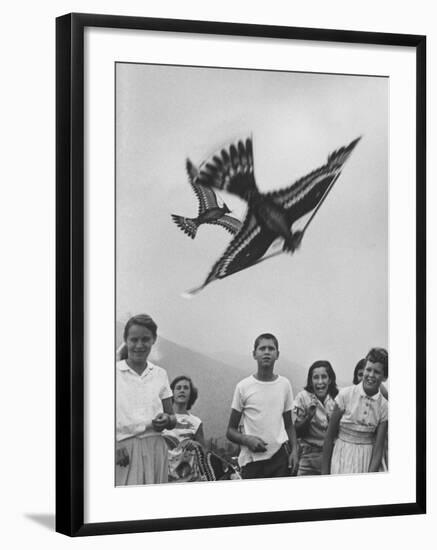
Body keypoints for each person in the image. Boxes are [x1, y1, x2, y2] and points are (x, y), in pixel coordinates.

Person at [226, 333, 298, 479]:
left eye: (271, 349)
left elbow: (289, 424)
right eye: (262, 348)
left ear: (277, 354)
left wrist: (295, 451)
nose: (266, 352)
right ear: (254, 354)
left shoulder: (284, 384)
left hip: (280, 459)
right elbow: (230, 430)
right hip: (252, 462)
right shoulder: (243, 387)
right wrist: (247, 440)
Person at [116, 314, 176, 485]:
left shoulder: (160, 374)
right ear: (125, 340)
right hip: (123, 450)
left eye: (145, 339)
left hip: (156, 448)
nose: (139, 345)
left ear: (154, 340)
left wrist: (166, 419)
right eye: (134, 339)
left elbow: (172, 418)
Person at [321, 347, 388, 475]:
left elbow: (378, 448)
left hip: (365, 460)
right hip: (341, 456)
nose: (371, 375)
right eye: (368, 370)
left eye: (377, 372)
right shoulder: (345, 395)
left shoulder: (384, 406)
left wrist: (370, 476)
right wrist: (324, 474)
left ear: (384, 377)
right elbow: (329, 437)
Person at [292, 360, 338, 475]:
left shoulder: (339, 397)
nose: (320, 382)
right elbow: (296, 430)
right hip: (309, 455)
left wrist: (333, 419)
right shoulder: (303, 397)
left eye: (324, 377)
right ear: (311, 381)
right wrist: (308, 417)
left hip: (334, 454)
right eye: (316, 378)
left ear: (330, 380)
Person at [163, 375, 207, 482]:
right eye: (178, 388)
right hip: (163, 476)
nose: (182, 390)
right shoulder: (163, 418)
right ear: (171, 393)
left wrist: (196, 445)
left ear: (191, 393)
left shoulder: (196, 422)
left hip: (188, 478)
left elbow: (204, 452)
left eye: (186, 388)